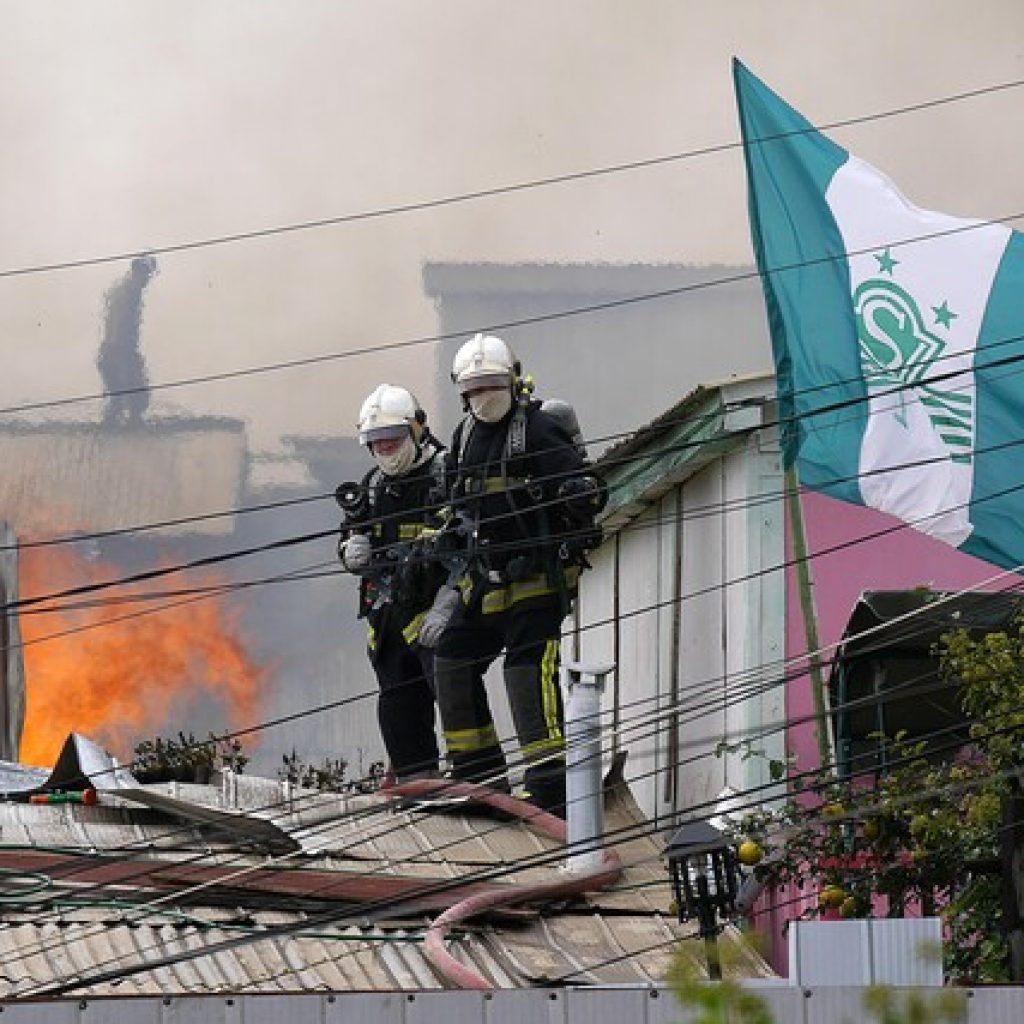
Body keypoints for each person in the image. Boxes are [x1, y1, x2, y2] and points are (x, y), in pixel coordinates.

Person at [433, 333, 605, 816]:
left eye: (492, 383)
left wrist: (575, 491)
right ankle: (477, 776)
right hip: (487, 580)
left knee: (526, 670)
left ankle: (549, 785)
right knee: (453, 657)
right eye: (474, 387)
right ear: (461, 392)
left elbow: (586, 489)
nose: (484, 394)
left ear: (513, 379)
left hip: (537, 580)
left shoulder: (535, 429)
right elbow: (453, 503)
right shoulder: (465, 437)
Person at [337, 384, 460, 783]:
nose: (385, 449)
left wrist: (451, 601)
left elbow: (472, 540)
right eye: (376, 442)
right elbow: (351, 535)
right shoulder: (373, 486)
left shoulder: (447, 473)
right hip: (388, 620)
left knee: (455, 694)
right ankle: (416, 783)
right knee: (398, 704)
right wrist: (350, 550)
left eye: (392, 439)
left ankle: (474, 777)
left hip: (435, 615)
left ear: (417, 430)